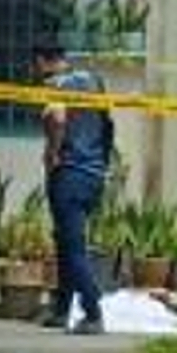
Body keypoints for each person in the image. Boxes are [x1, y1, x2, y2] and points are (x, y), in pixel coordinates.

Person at [33, 43, 114, 335]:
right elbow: (108, 124)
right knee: (66, 242)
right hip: (93, 174)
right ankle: (61, 309)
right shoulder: (94, 81)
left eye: (37, 66)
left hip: (69, 172)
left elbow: (56, 117)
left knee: (73, 247)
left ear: (43, 62)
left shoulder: (58, 84)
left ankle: (93, 312)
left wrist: (52, 153)